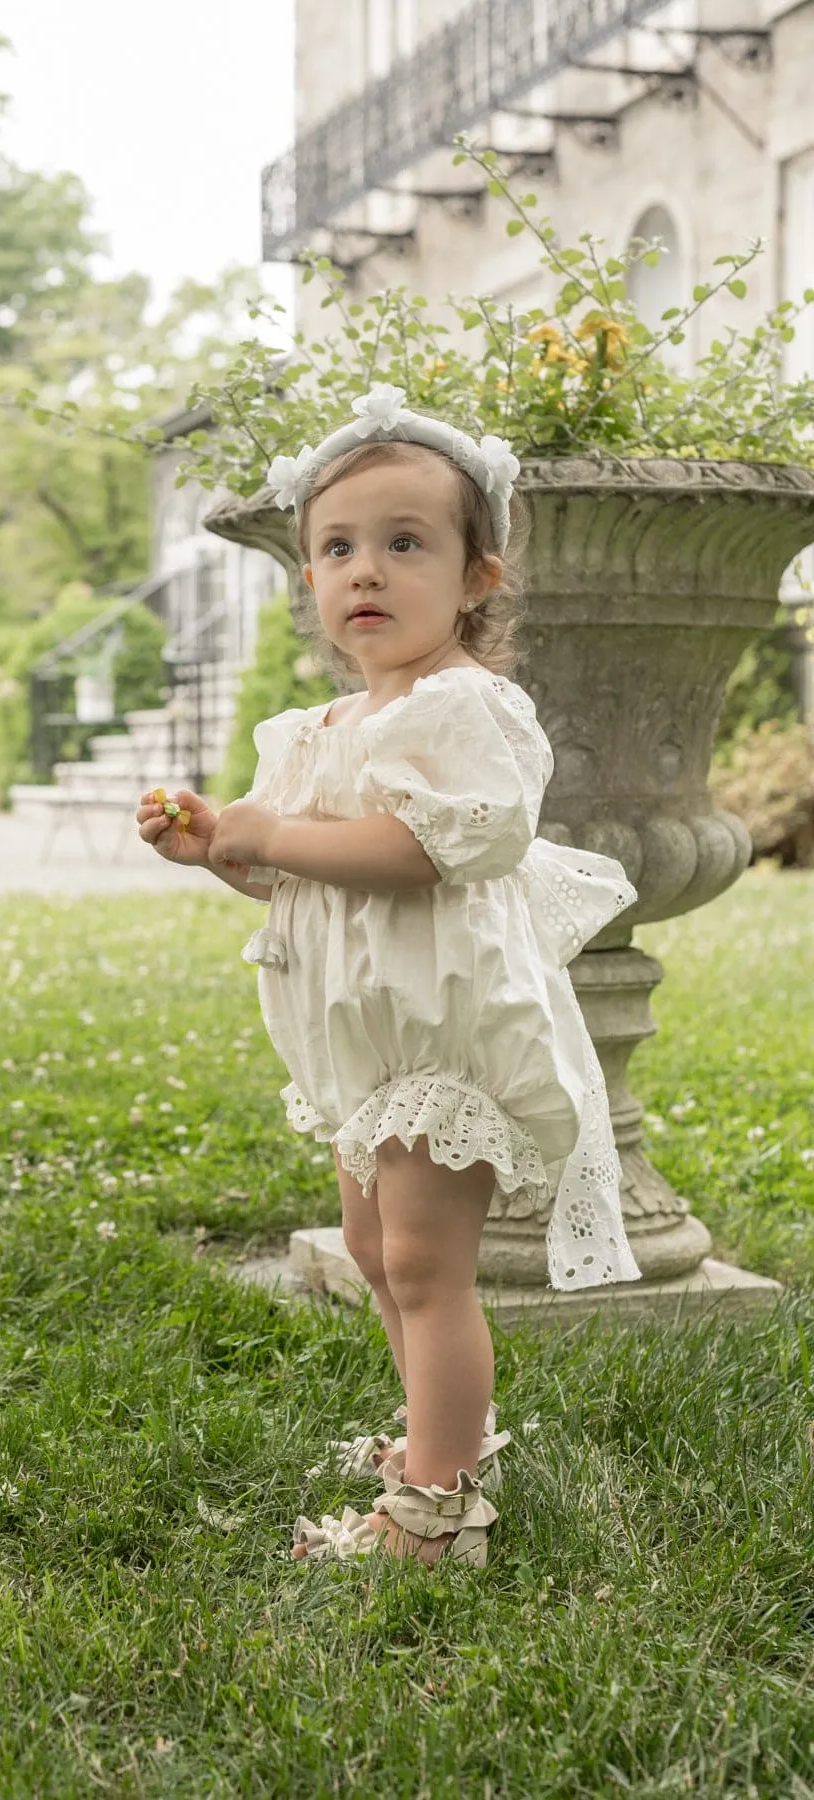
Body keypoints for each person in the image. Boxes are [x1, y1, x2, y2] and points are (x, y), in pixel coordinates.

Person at [137, 384, 642, 1569]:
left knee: (424, 1263)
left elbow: (420, 854)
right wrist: (218, 844)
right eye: (337, 547)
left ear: (479, 576)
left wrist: (265, 836)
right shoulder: (316, 730)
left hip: (445, 1035)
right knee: (373, 1252)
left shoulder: (469, 709)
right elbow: (291, 877)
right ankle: (436, 1439)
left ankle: (438, 1513)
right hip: (368, 1044)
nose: (365, 569)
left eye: (405, 543)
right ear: (310, 578)